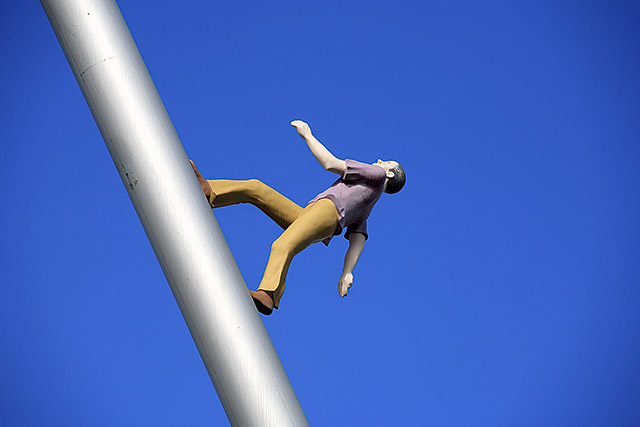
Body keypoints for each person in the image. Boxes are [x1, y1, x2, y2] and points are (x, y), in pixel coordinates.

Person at [189, 120, 405, 315]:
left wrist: (307, 135)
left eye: (385, 162)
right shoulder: (369, 202)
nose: (379, 161)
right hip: (314, 215)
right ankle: (211, 191)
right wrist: (347, 273)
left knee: (283, 246)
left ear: (389, 174)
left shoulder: (375, 175)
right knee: (257, 189)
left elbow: (331, 163)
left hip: (327, 211)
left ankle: (268, 293)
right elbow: (358, 239)